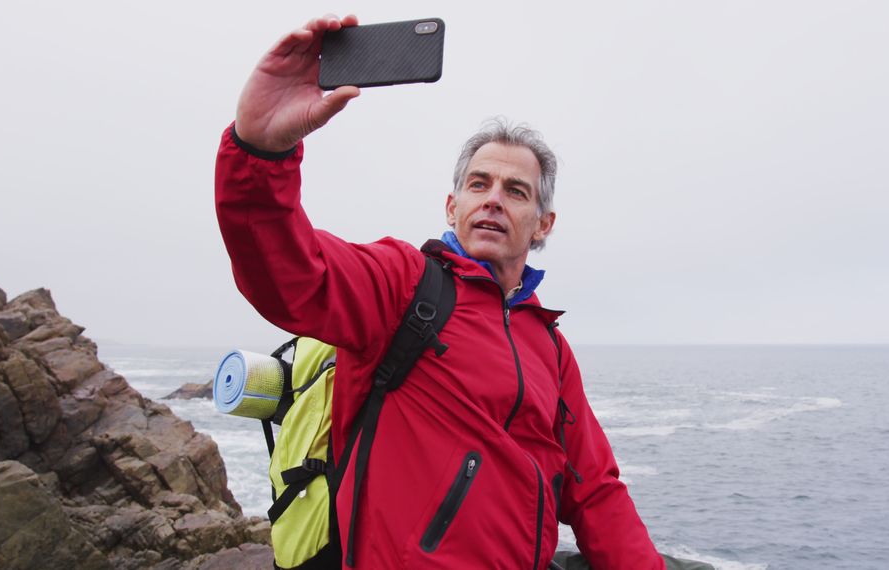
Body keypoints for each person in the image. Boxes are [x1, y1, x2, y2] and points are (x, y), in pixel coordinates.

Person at [216, 14, 713, 570]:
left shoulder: (549, 347)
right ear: (452, 207)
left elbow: (594, 489)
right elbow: (286, 274)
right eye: (479, 184)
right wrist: (258, 150)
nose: (493, 199)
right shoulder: (402, 284)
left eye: (515, 191)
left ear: (542, 224)